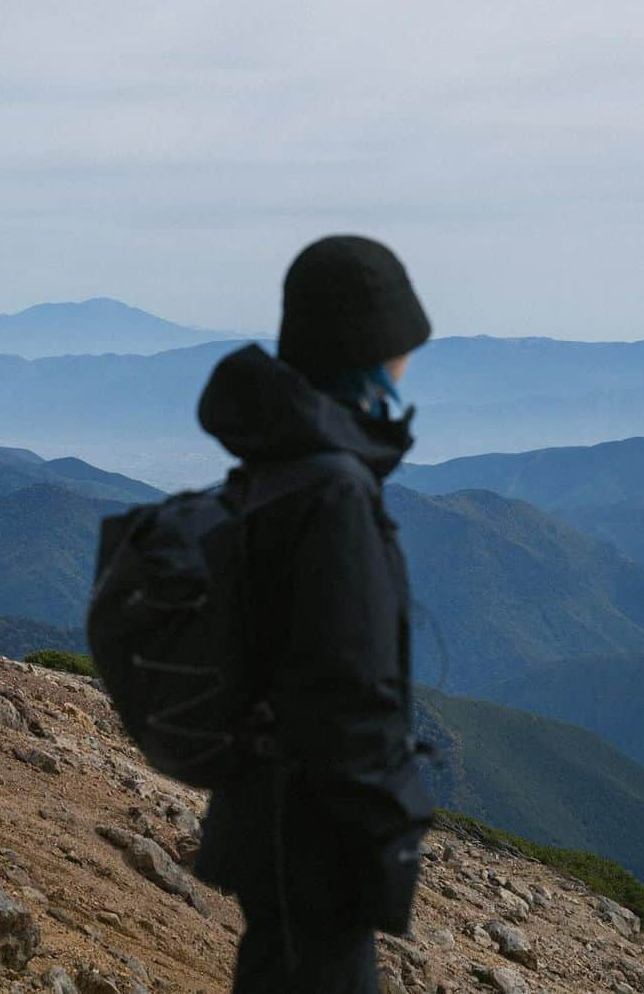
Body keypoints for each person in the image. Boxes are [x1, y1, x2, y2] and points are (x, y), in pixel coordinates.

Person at [193, 235, 435, 994]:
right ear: (365, 347)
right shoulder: (335, 491)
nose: (406, 362)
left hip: (273, 825)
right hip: (318, 845)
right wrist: (384, 851)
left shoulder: (286, 461)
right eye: (399, 345)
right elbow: (349, 686)